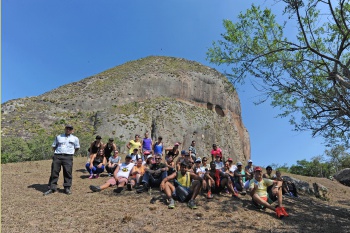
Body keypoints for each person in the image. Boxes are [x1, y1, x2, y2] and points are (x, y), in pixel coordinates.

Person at [44, 124, 80, 195]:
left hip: (68, 157)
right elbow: (54, 146)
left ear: (72, 130)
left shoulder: (75, 138)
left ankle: (67, 188)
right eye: (67, 128)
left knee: (67, 172)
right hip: (58, 156)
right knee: (54, 171)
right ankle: (52, 188)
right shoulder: (59, 137)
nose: (68, 130)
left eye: (70, 129)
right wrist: (58, 153)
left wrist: (70, 153)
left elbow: (77, 147)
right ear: (65, 129)